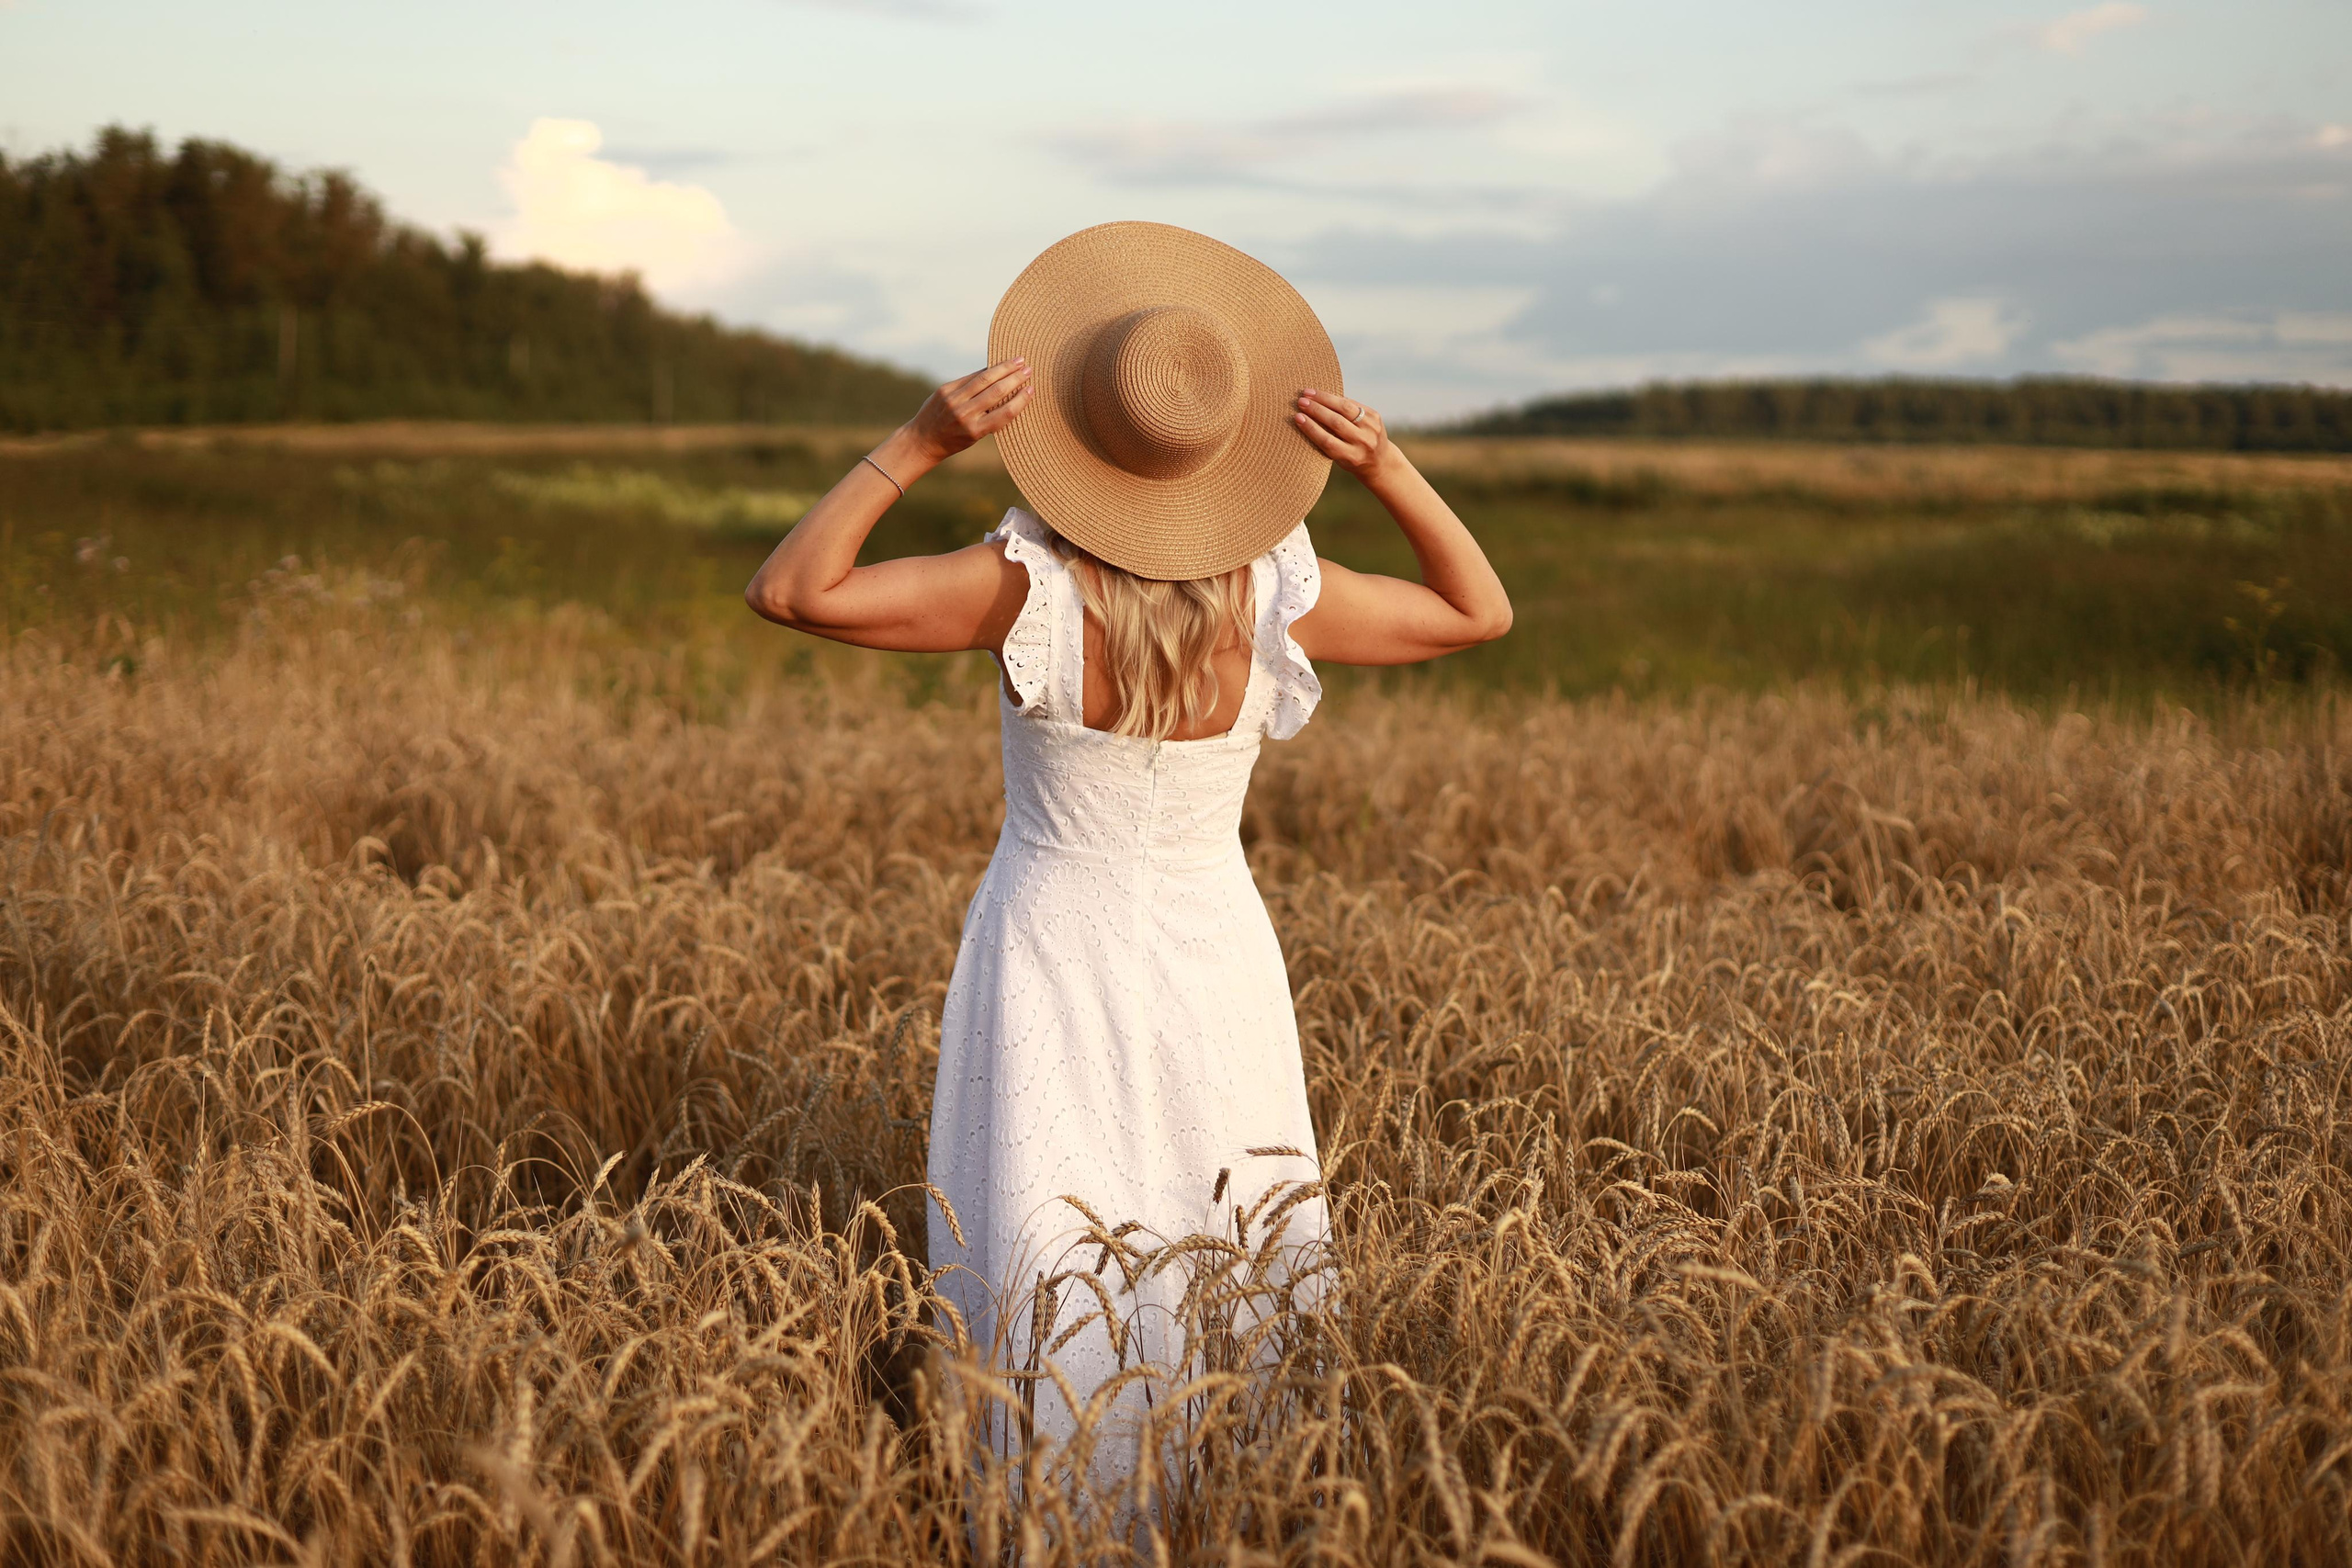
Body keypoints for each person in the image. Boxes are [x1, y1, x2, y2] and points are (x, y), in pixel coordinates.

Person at [744, 222, 1510, 1506]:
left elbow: (792, 591)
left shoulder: (1024, 590)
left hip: (1051, 939)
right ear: (1231, 454)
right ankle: (1245, 1497)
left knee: (1054, 1218)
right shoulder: (1281, 594)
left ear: (1080, 444)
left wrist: (918, 444)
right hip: (1219, 947)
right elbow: (1478, 612)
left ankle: (1058, 1501)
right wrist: (1386, 467)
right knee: (1225, 1216)